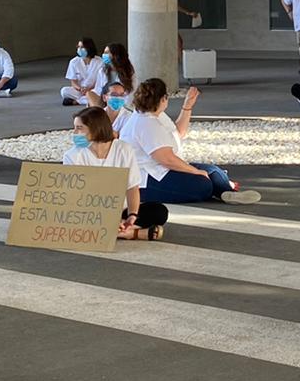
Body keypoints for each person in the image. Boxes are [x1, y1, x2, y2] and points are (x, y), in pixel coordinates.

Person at [121, 80, 260, 205]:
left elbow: (178, 133)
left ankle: (226, 193)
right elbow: (166, 159)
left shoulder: (156, 115)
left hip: (163, 169)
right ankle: (219, 190)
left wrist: (187, 106)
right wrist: (195, 172)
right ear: (163, 99)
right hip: (148, 177)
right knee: (202, 184)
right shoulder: (145, 123)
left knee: (213, 171)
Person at [65, 106, 167, 241]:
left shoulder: (123, 149)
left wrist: (132, 216)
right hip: (89, 213)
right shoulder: (72, 155)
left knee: (159, 212)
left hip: (120, 210)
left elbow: (132, 187)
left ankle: (116, 229)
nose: (74, 132)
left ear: (95, 129)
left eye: (79, 128)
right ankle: (133, 233)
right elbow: (74, 195)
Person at [83, 42, 135, 109]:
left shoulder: (128, 72)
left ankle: (101, 114)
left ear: (115, 55)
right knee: (89, 94)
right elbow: (98, 90)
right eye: (104, 52)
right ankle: (100, 113)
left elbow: (131, 93)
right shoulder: (102, 71)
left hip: (120, 101)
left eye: (107, 53)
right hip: (105, 99)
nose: (104, 55)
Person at [62, 37, 102, 105]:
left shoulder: (100, 61)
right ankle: (88, 100)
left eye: (82, 47)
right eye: (78, 47)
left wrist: (88, 89)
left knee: (102, 93)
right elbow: (73, 82)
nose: (80, 49)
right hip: (80, 91)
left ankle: (77, 101)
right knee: (64, 91)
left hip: (94, 89)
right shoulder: (74, 62)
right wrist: (80, 89)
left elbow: (100, 81)